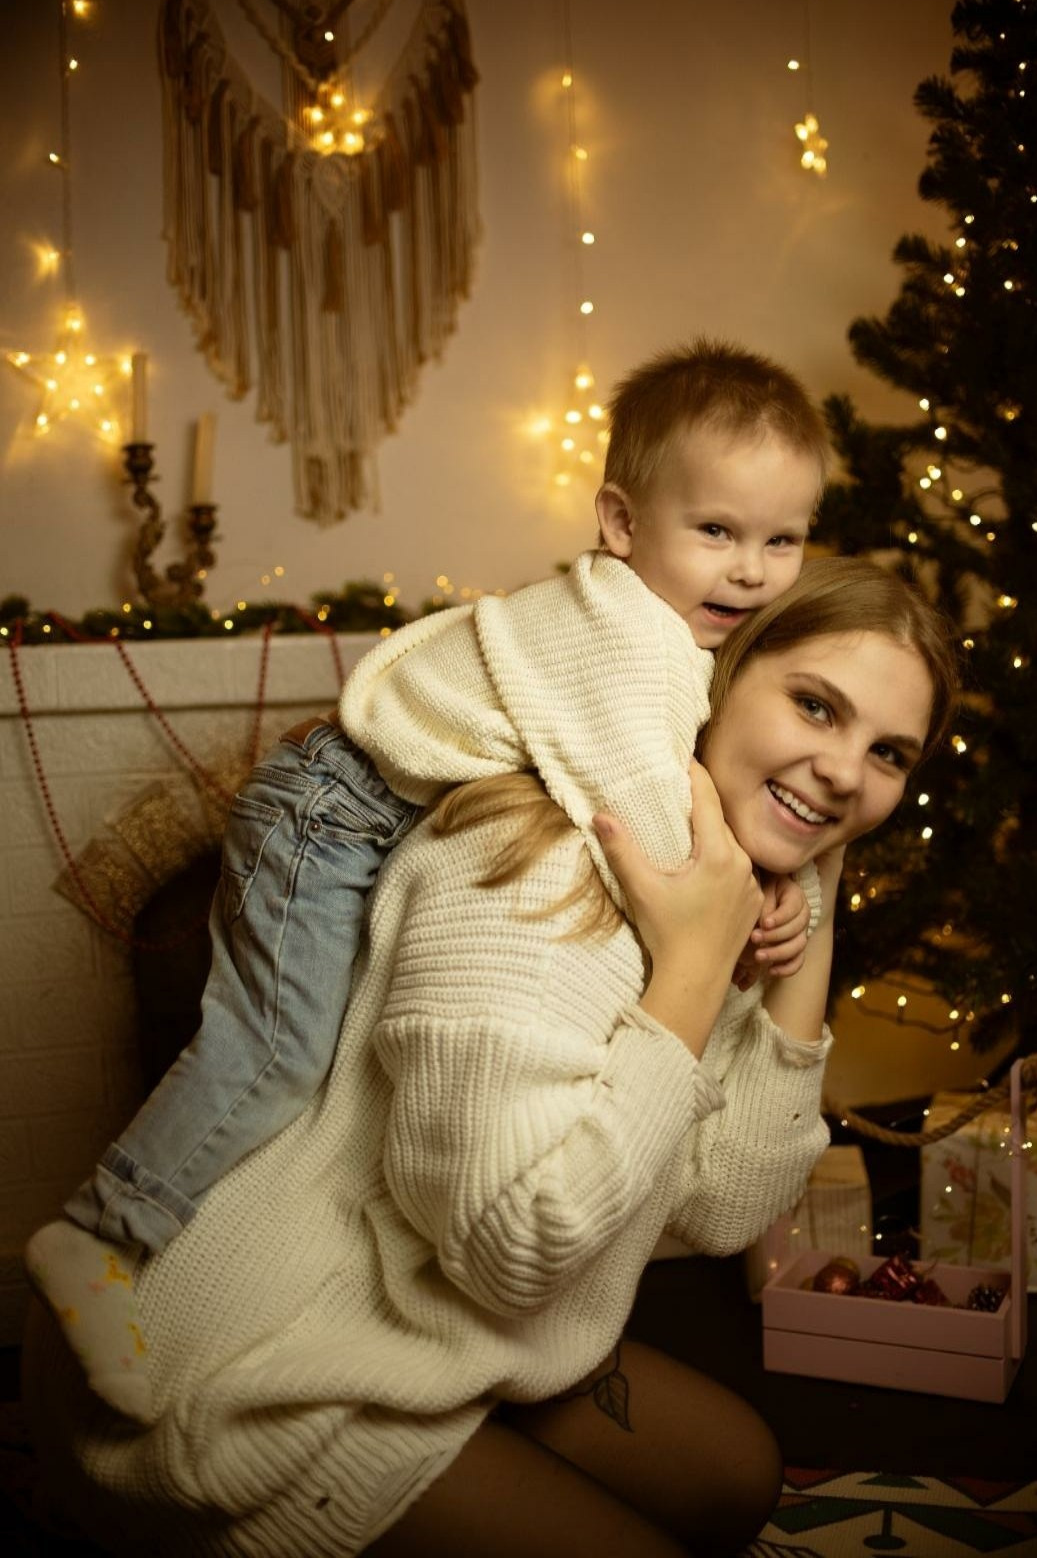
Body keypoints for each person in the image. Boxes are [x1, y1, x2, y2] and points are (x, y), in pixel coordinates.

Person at [24, 556, 959, 1558]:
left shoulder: (729, 886)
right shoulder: (532, 857)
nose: (847, 771)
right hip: (247, 1372)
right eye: (817, 707)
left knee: (736, 1476)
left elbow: (725, 1205)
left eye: (889, 755)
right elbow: (512, 1253)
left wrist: (816, 882)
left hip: (451, 1333)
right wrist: (688, 969)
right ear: (725, 673)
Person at [26, 338, 829, 1421]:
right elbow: (635, 807)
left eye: (784, 539)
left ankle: (189, 1265)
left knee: (322, 1072)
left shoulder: (671, 630)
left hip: (364, 814)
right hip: (330, 813)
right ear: (624, 523)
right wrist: (722, 915)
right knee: (278, 1056)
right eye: (719, 531)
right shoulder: (626, 630)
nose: (753, 569)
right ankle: (100, 1233)